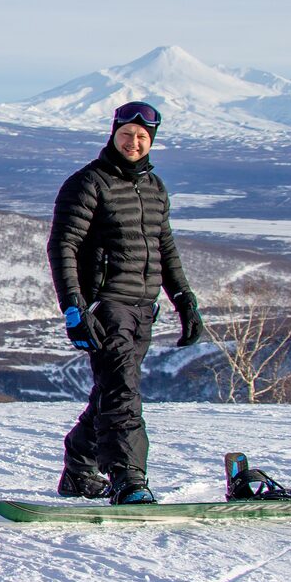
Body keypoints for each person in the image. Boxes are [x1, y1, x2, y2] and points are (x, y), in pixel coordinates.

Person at [47, 101, 205, 505]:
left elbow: (164, 248)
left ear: (151, 141)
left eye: (142, 137)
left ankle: (80, 466)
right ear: (112, 134)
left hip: (143, 306)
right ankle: (128, 478)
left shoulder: (154, 188)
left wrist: (184, 300)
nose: (133, 143)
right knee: (123, 393)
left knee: (110, 391)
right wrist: (74, 307)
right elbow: (63, 245)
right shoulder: (88, 182)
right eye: (126, 135)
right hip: (106, 305)